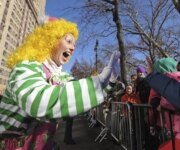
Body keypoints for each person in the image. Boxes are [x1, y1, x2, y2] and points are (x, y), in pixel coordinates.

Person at [0, 16, 120, 150]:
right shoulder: (25, 67)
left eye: (74, 44)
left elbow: (86, 97)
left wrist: (110, 81)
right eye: (68, 41)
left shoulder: (61, 76)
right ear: (51, 39)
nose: (73, 48)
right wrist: (95, 83)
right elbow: (38, 103)